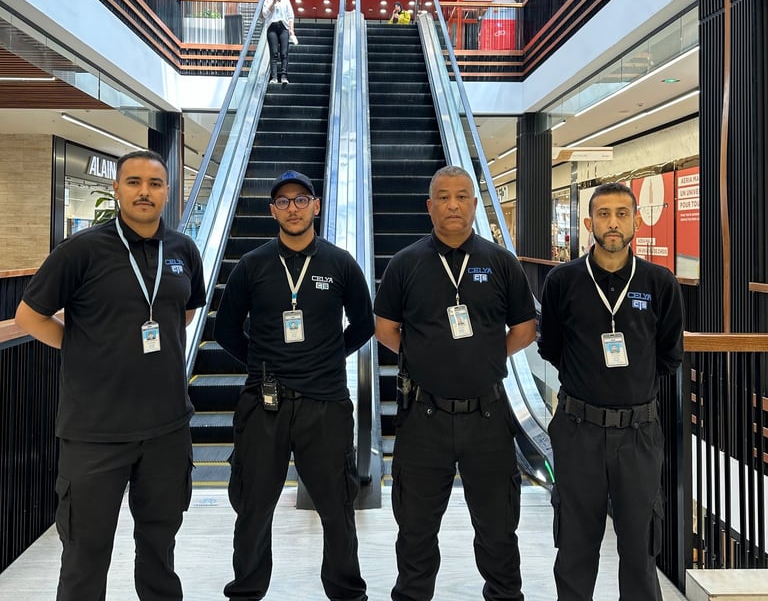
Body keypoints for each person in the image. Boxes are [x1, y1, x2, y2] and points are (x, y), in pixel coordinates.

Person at [14, 149, 206, 601]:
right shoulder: (80, 251)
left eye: (155, 184)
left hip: (167, 428)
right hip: (95, 432)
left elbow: (185, 311)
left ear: (167, 192)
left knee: (160, 549)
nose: (145, 192)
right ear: (116, 189)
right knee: (85, 553)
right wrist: (82, 347)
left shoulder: (183, 250)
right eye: (135, 182)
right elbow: (28, 316)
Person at [374, 165, 537, 601]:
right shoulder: (405, 263)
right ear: (429, 206)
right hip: (423, 418)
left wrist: (485, 355)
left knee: (499, 527)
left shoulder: (500, 262)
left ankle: (504, 595)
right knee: (415, 528)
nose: (452, 205)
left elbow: (524, 327)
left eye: (462, 196)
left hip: (488, 417)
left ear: (474, 205)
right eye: (443, 197)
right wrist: (426, 356)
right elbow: (385, 328)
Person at [214, 169, 373, 601]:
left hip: (326, 403)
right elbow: (226, 330)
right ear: (273, 211)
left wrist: (327, 356)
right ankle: (246, 591)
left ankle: (345, 592)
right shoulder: (252, 266)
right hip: (264, 403)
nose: (293, 208)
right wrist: (262, 363)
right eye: (283, 201)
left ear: (316, 206)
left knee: (337, 510)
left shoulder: (341, 264)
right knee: (252, 508)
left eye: (301, 200)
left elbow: (365, 323)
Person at [537, 181, 684, 601]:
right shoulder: (563, 282)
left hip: (639, 434)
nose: (613, 223)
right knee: (575, 545)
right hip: (578, 429)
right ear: (588, 223)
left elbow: (669, 352)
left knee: (639, 547)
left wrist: (630, 389)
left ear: (636, 221)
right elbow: (551, 347)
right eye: (604, 214)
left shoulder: (659, 282)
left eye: (622, 214)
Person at [262, 0, 297, 84]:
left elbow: (290, 16)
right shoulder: (268, 1)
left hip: (283, 27)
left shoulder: (286, 1)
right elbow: (265, 14)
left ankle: (284, 76)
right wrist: (273, 2)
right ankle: (273, 77)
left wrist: (291, 30)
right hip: (272, 27)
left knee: (284, 53)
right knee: (273, 53)